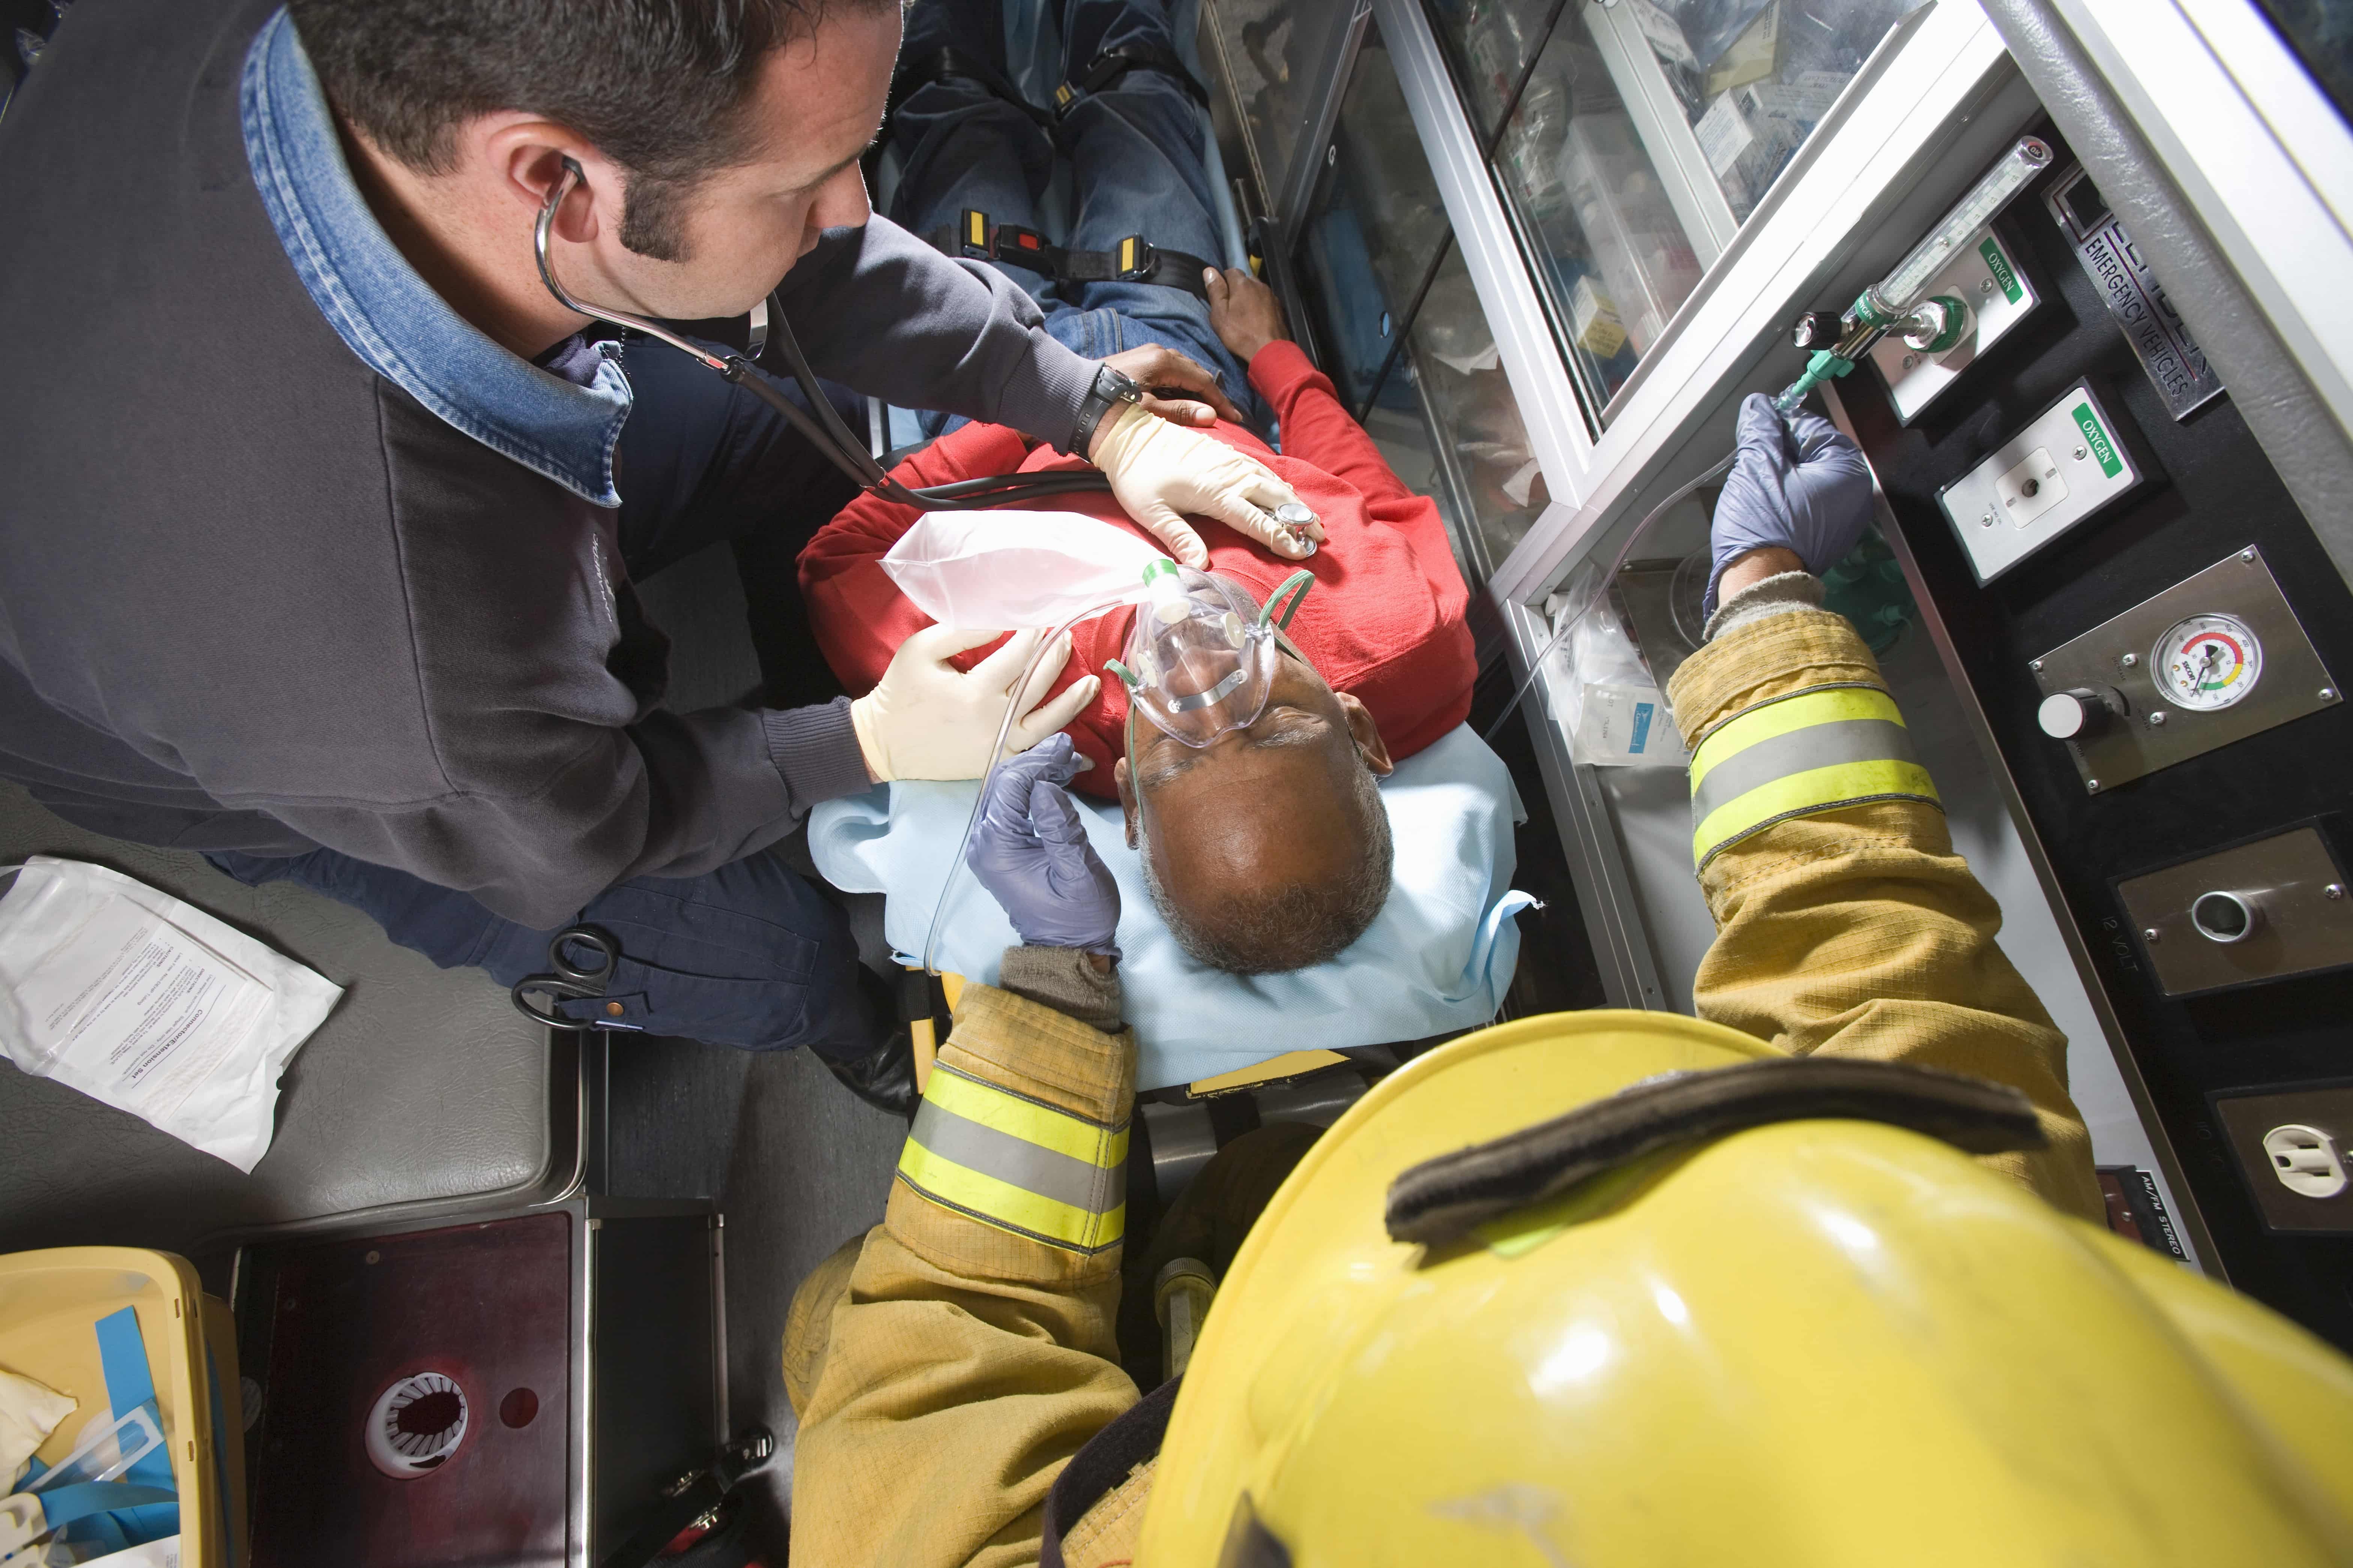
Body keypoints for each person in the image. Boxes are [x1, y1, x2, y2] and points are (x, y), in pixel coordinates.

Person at [773, 397, 2353, 1565]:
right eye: (1201, 726)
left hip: (1228, 1310)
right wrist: (1761, 605)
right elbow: (1894, 1010)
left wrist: (1048, 986)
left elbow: (931, 1381)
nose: (1200, 675)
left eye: (1218, 722)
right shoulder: (2053, 1407)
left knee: (830, 1314)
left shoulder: (1127, 680)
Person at [0, 0, 1315, 1105]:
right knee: (774, 953)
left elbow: (800, 272)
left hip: (287, 480)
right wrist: (856, 746)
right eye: (808, 184)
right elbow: (582, 826)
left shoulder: (462, 93)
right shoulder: (390, 661)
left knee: (785, 408)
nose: (855, 207)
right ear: (553, 182)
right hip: (271, 724)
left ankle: (799, 621)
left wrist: (1094, 405)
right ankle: (865, 1047)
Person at [800, 0, 1476, 974]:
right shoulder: (1416, 644)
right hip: (1190, 359)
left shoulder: (1008, 697)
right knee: (1139, 91)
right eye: (1276, 718)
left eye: (1182, 751)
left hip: (994, 392)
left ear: (1124, 788)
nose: (1207, 676)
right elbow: (1352, 486)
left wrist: (1047, 410)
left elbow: (838, 561)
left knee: (956, 110)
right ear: (1359, 730)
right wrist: (1279, 357)